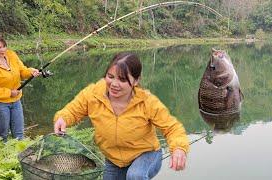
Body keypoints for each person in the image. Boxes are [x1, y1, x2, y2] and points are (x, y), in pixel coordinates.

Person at [53, 52, 189, 179]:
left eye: (122, 80)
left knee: (135, 176)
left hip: (147, 154)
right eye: (110, 77)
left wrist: (178, 148)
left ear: (136, 81)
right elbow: (73, 110)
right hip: (113, 160)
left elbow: (172, 128)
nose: (114, 84)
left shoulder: (147, 102)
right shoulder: (93, 94)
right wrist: (62, 118)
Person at [0, 33, 41, 142]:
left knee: (19, 134)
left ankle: (19, 156)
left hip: (16, 101)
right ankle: (4, 157)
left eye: (4, 46)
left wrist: (31, 72)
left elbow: (22, 71)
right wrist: (9, 93)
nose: (2, 50)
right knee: (3, 135)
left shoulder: (11, 55)